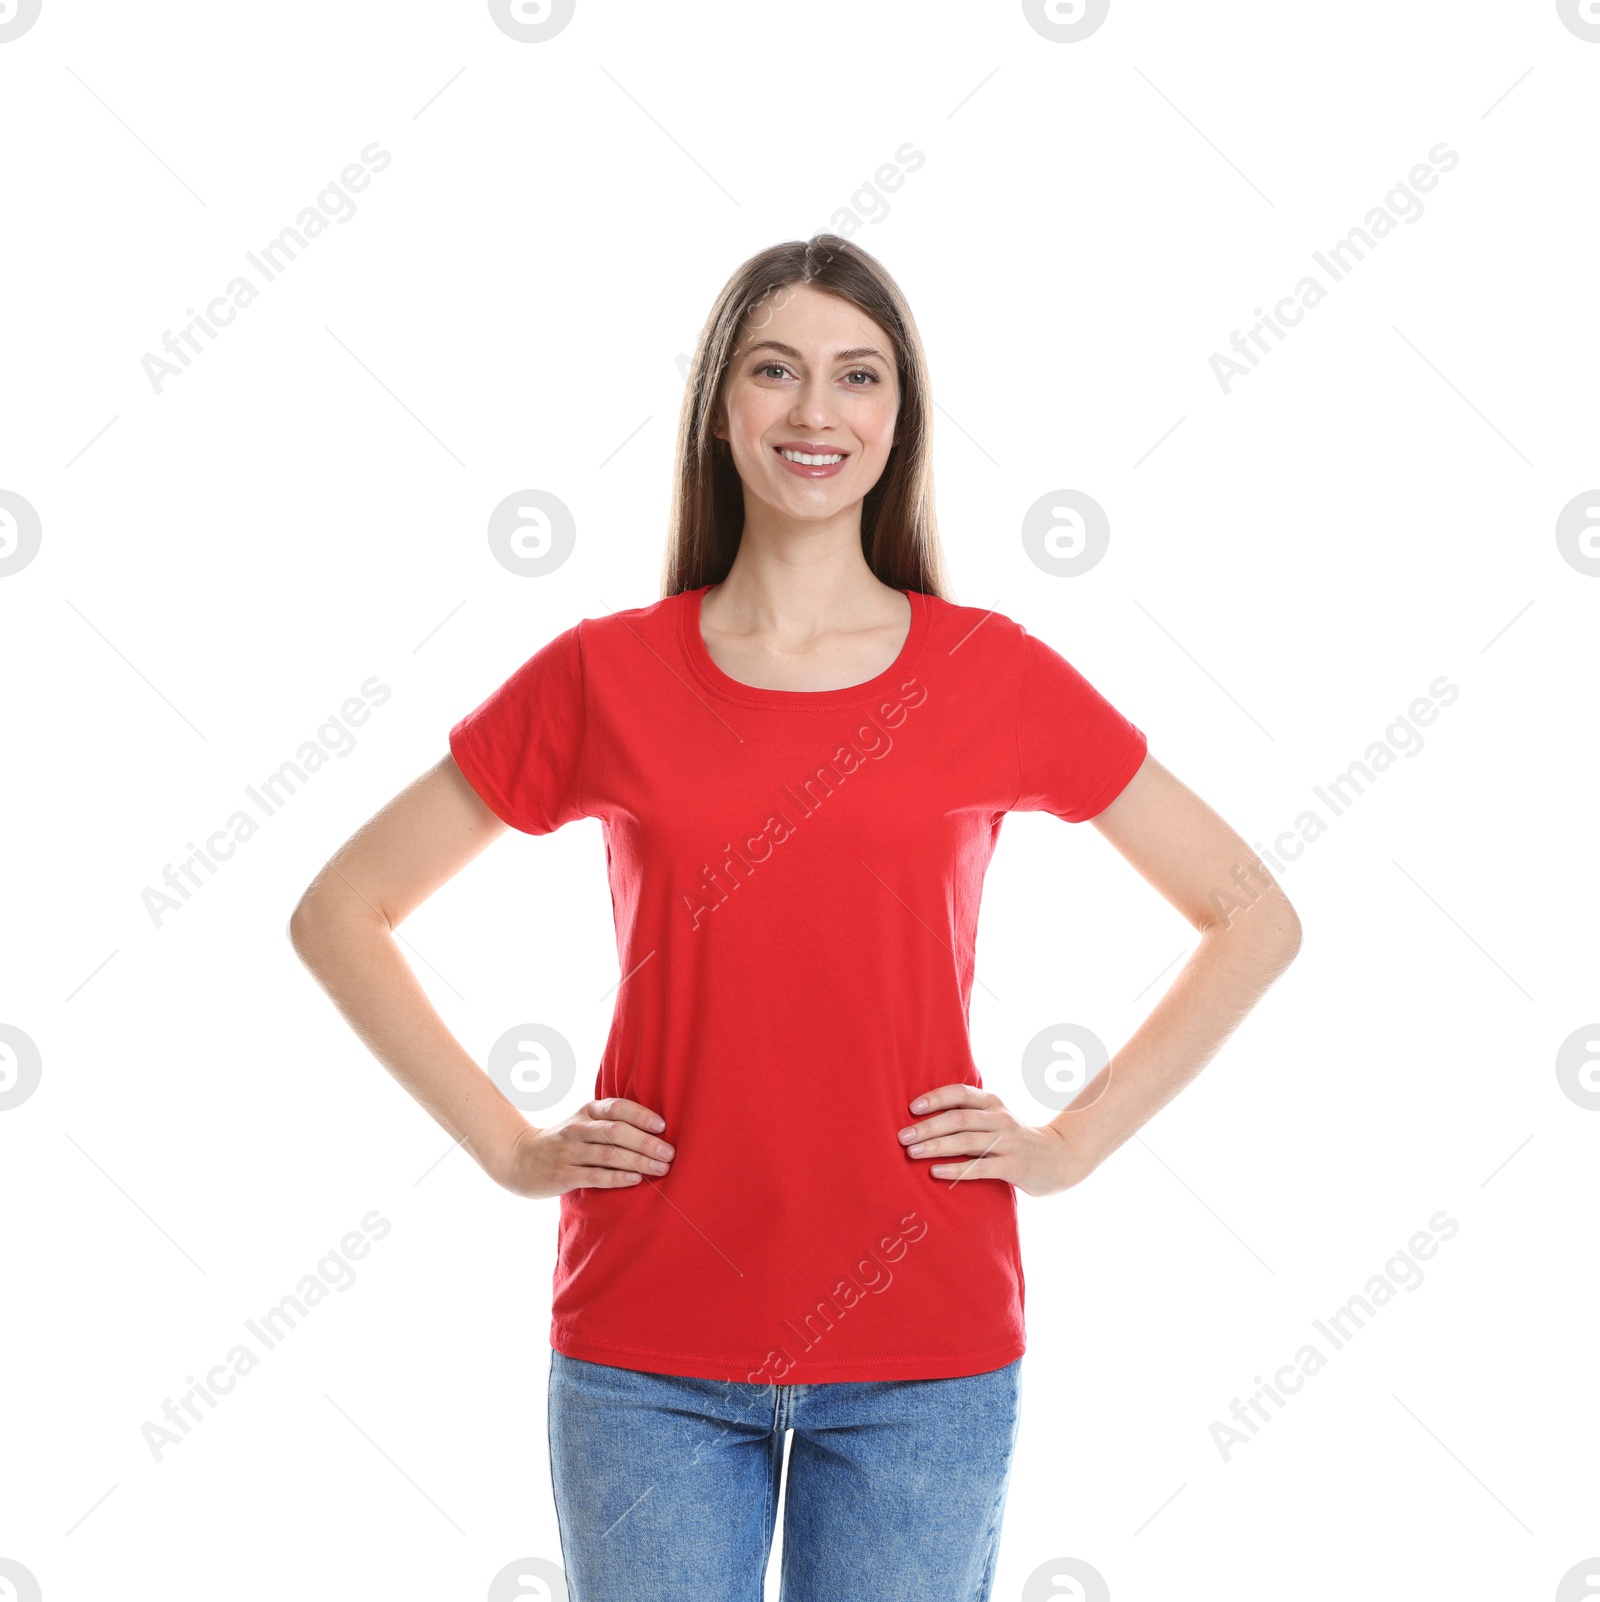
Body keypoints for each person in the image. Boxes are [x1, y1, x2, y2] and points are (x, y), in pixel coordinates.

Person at [288, 233, 1301, 1600]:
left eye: (857, 375)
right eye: (776, 370)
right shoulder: (604, 674)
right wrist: (510, 1149)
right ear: (722, 405)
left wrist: (1070, 1142)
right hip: (647, 1344)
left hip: (923, 1351)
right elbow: (342, 908)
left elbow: (1251, 915)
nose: (816, 411)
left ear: (901, 417)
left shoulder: (989, 672)